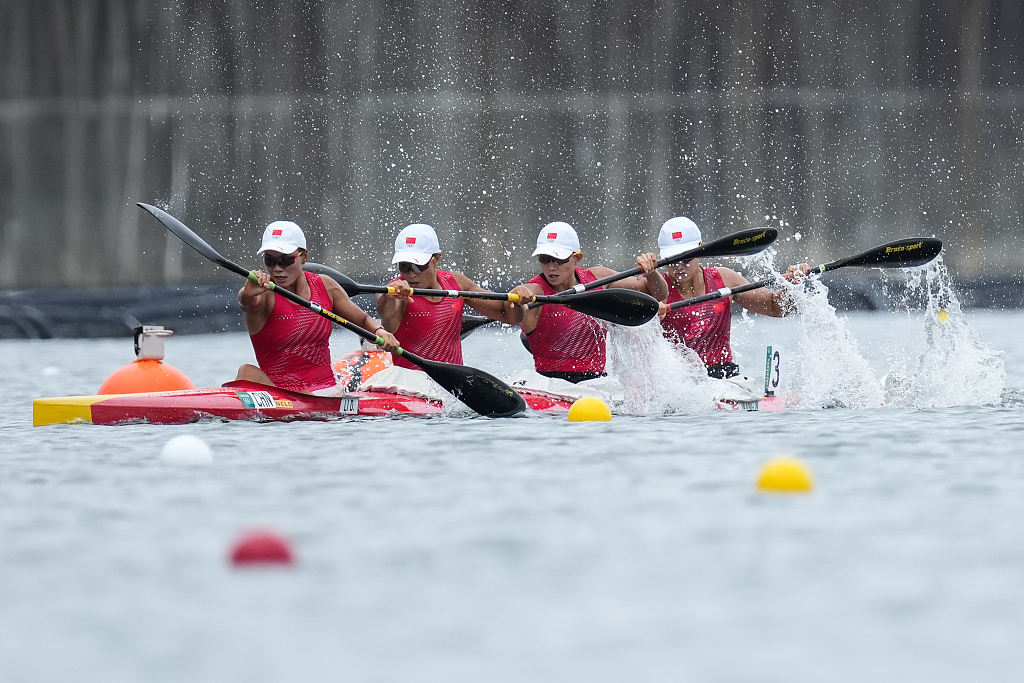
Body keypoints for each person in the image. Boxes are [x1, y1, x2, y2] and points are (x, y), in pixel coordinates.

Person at [235, 220, 399, 394]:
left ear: (304, 257)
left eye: (286, 260)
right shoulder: (260, 294)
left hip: (326, 391)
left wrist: (380, 332)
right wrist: (247, 292)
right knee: (246, 372)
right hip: (279, 394)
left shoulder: (326, 286)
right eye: (270, 260)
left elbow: (362, 320)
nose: (277, 269)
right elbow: (246, 304)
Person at [507, 221, 667, 384]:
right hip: (549, 386)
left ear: (577, 258)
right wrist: (516, 296)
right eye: (544, 259)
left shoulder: (598, 279)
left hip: (596, 384)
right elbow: (512, 314)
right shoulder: (536, 291)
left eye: (559, 259)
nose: (551, 267)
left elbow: (658, 293)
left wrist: (651, 272)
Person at [654, 216, 802, 379]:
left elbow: (776, 307)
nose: (679, 266)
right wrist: (650, 316)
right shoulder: (657, 291)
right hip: (681, 382)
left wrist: (792, 285)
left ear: (701, 249)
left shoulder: (725, 279)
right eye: (672, 260)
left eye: (686, 258)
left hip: (725, 374)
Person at [376, 223, 524, 370]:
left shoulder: (456, 283)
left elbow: (510, 316)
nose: (410, 274)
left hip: (450, 384)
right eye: (404, 266)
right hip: (410, 383)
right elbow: (385, 310)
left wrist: (516, 300)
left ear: (437, 259)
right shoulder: (396, 292)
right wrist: (388, 295)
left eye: (418, 266)